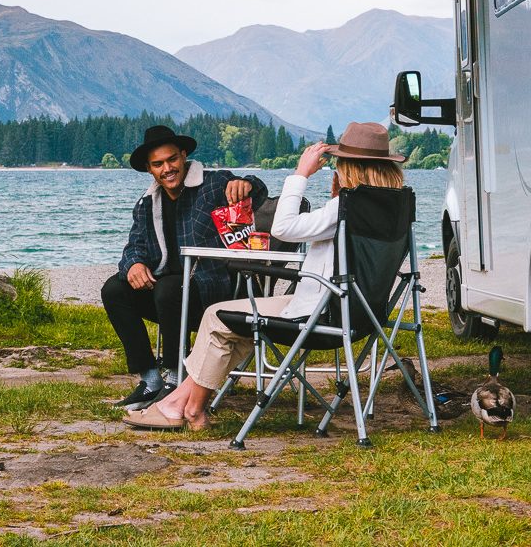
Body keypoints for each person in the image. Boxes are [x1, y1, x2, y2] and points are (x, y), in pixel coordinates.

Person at [123, 121, 406, 431]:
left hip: (320, 315)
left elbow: (283, 227)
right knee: (238, 331)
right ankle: (182, 402)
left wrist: (300, 175)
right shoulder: (393, 208)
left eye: (340, 162)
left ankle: (184, 406)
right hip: (363, 315)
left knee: (218, 318)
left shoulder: (346, 208)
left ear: (349, 166)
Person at [102, 124, 270, 411]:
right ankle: (151, 380)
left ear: (183, 156)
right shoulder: (146, 204)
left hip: (214, 293)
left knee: (168, 287)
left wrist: (247, 184)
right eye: (158, 164)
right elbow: (133, 246)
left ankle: (176, 378)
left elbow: (259, 191)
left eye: (172, 159)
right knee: (114, 289)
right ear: (149, 169)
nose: (167, 168)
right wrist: (134, 265)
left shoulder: (214, 185)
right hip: (170, 299)